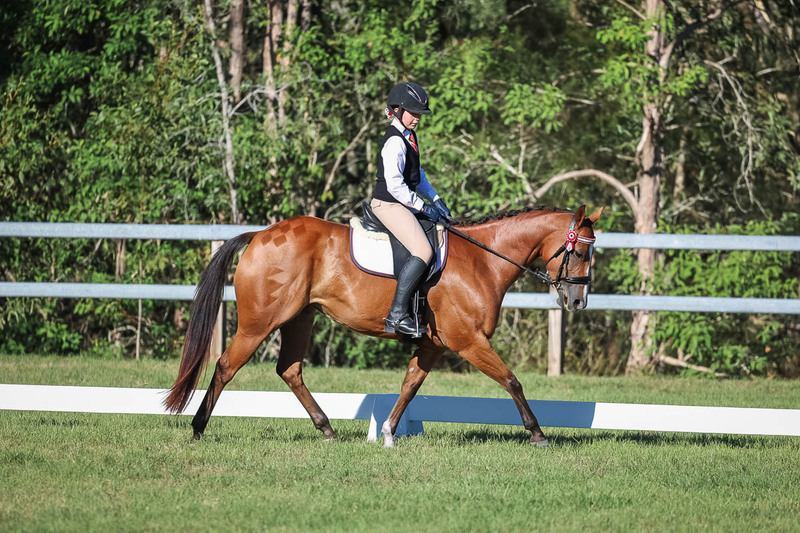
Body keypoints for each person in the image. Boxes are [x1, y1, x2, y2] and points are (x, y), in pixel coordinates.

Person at [370, 81, 452, 337]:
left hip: (401, 202)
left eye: (419, 114)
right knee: (423, 250)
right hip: (388, 204)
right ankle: (396, 315)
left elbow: (418, 175)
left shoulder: (409, 136)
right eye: (413, 113)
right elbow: (395, 185)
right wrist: (423, 207)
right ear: (396, 110)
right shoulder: (394, 141)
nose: (417, 119)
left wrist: (436, 199)